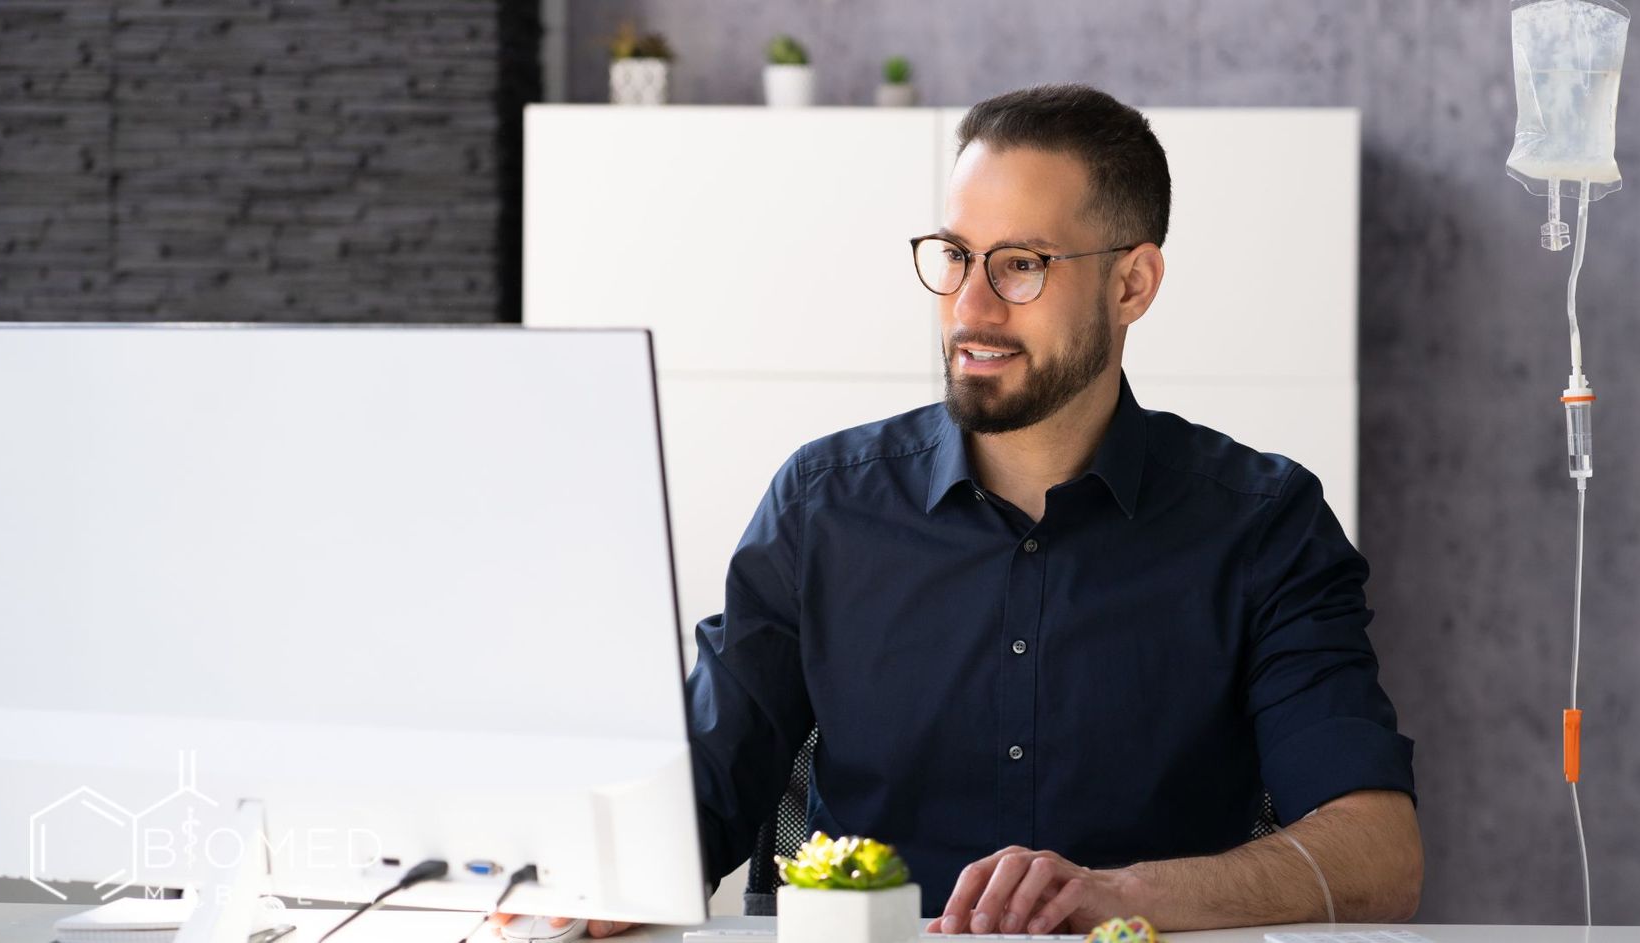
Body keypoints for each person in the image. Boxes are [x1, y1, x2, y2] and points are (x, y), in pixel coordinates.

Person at [498, 83, 1419, 940]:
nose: (969, 307)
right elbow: (698, 795)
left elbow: (1379, 857)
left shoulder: (1264, 524)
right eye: (954, 256)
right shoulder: (822, 505)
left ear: (1133, 284)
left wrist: (1120, 896)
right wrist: (588, 882)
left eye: (1020, 264)